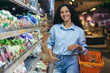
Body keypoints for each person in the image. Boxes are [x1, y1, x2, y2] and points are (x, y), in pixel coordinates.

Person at [47, 4, 88, 73]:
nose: (64, 14)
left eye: (66, 11)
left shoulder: (79, 31)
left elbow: (84, 50)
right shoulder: (55, 28)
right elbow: (49, 43)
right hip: (58, 61)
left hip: (72, 61)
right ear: (59, 15)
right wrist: (51, 56)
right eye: (62, 12)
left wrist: (78, 46)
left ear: (70, 13)